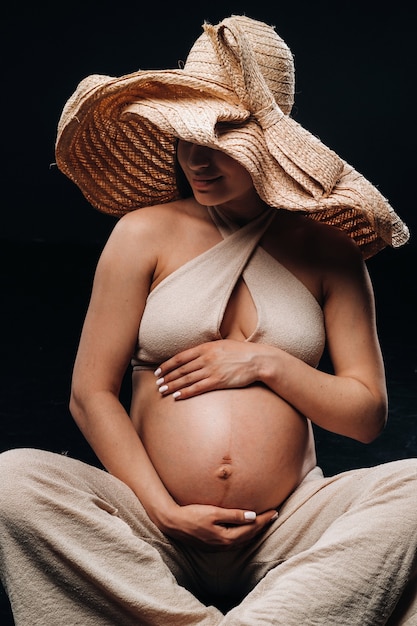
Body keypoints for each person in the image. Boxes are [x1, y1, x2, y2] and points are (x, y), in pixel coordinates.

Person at [0, 14, 415, 626]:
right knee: (13, 480)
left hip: (290, 523)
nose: (197, 159)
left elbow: (366, 416)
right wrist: (164, 510)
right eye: (184, 136)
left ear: (271, 143)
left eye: (219, 140)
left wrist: (266, 362)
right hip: (150, 523)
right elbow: (90, 395)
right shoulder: (144, 233)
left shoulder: (328, 250)